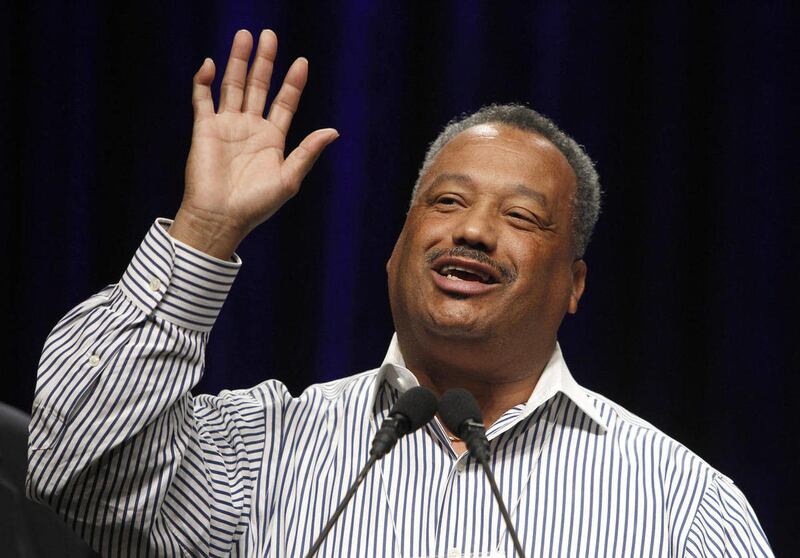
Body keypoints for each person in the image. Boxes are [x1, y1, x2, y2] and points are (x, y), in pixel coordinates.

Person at [27, 29, 772, 557]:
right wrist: (204, 230)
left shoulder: (682, 507)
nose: (473, 231)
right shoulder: (266, 451)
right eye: (446, 203)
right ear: (391, 256)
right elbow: (75, 467)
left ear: (574, 284)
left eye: (519, 217)